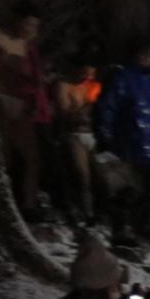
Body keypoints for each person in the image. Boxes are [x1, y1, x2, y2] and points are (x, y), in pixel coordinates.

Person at [94, 39, 150, 245]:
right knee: (127, 190)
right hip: (129, 143)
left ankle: (148, 225)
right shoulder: (121, 79)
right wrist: (105, 138)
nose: (147, 60)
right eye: (143, 55)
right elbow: (107, 108)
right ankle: (122, 229)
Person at [0, 0, 51, 218]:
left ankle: (28, 205)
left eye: (35, 26)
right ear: (16, 20)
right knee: (5, 156)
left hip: (22, 106)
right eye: (28, 24)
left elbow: (34, 81)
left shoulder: (29, 48)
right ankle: (1, 202)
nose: (30, 29)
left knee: (32, 158)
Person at [54, 54, 102, 224]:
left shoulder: (93, 86)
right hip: (73, 134)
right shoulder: (64, 85)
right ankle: (87, 213)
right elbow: (64, 112)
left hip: (92, 133)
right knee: (82, 175)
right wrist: (84, 110)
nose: (87, 78)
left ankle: (102, 211)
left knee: (102, 175)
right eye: (84, 74)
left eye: (91, 75)